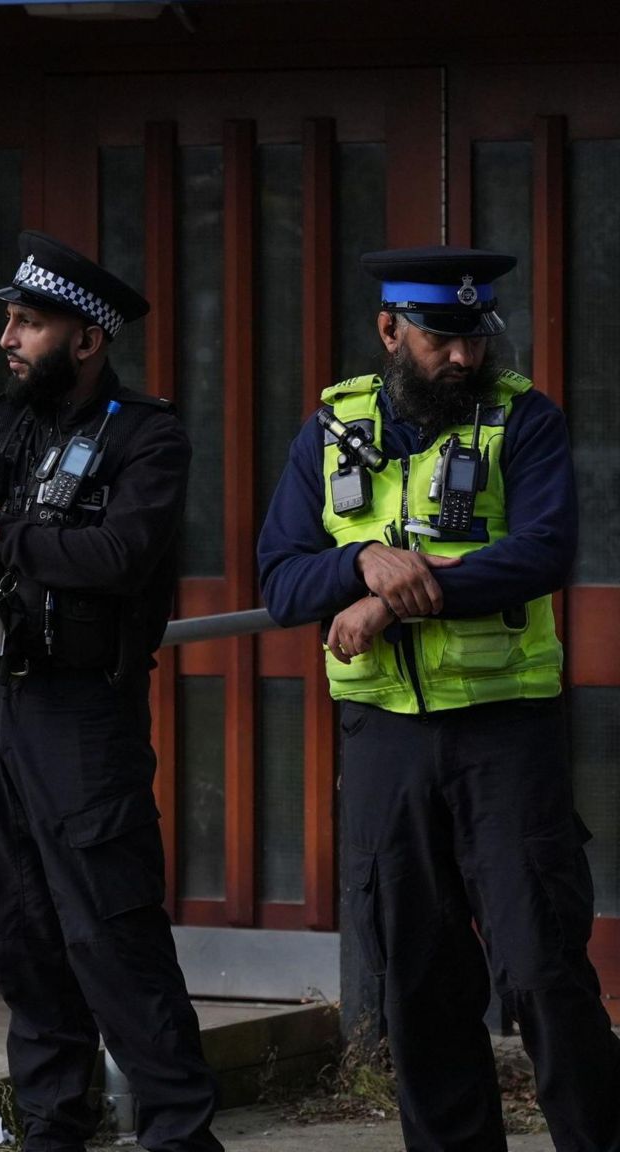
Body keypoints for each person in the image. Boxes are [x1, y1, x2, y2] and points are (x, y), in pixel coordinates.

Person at [257, 245, 620, 1152]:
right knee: (419, 979)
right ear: (390, 330)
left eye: (476, 336)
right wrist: (355, 564)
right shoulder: (330, 429)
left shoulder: (522, 420)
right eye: (440, 338)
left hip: (506, 736)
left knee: (540, 967)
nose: (463, 357)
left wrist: (389, 596)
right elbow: (282, 578)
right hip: (385, 740)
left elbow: (543, 553)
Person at [0, 231, 223, 1152]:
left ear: (86, 339)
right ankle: (50, 1131)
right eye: (9, 318)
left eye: (29, 323)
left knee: (112, 941)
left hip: (83, 717)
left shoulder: (147, 435)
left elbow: (116, 557)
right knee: (23, 940)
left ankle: (180, 1135)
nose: (8, 337)